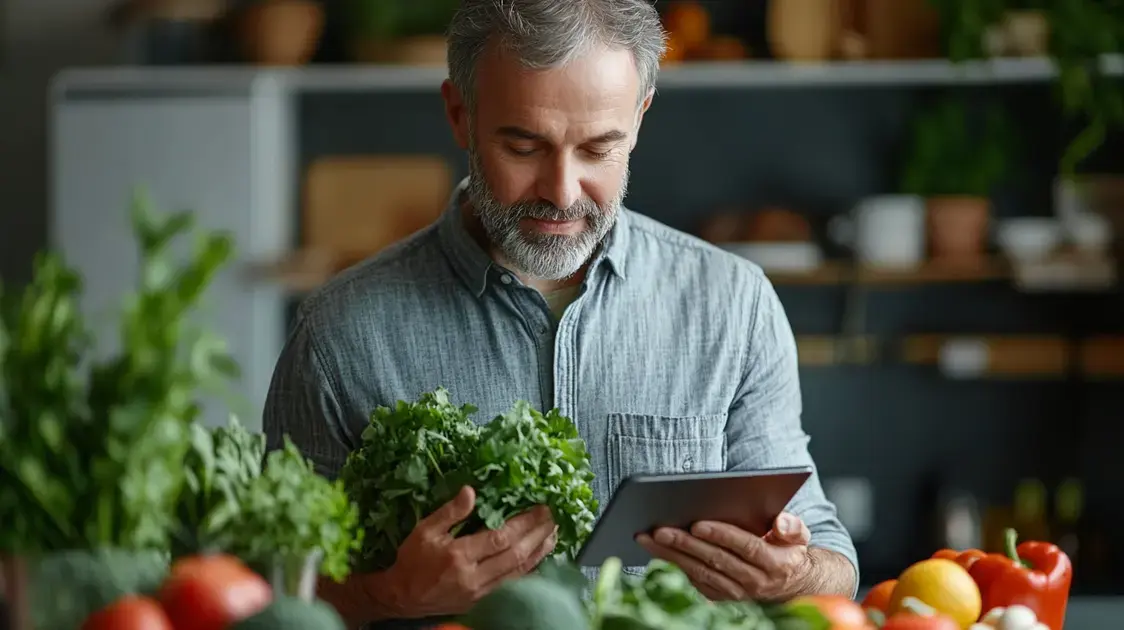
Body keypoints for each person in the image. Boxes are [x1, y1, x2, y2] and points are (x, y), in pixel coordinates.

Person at [263, 0, 859, 627]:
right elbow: (267, 592)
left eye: (599, 149)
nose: (563, 191)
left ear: (640, 115)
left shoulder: (733, 305)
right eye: (524, 146)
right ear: (459, 114)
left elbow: (833, 562)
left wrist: (794, 574)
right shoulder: (338, 334)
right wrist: (387, 595)